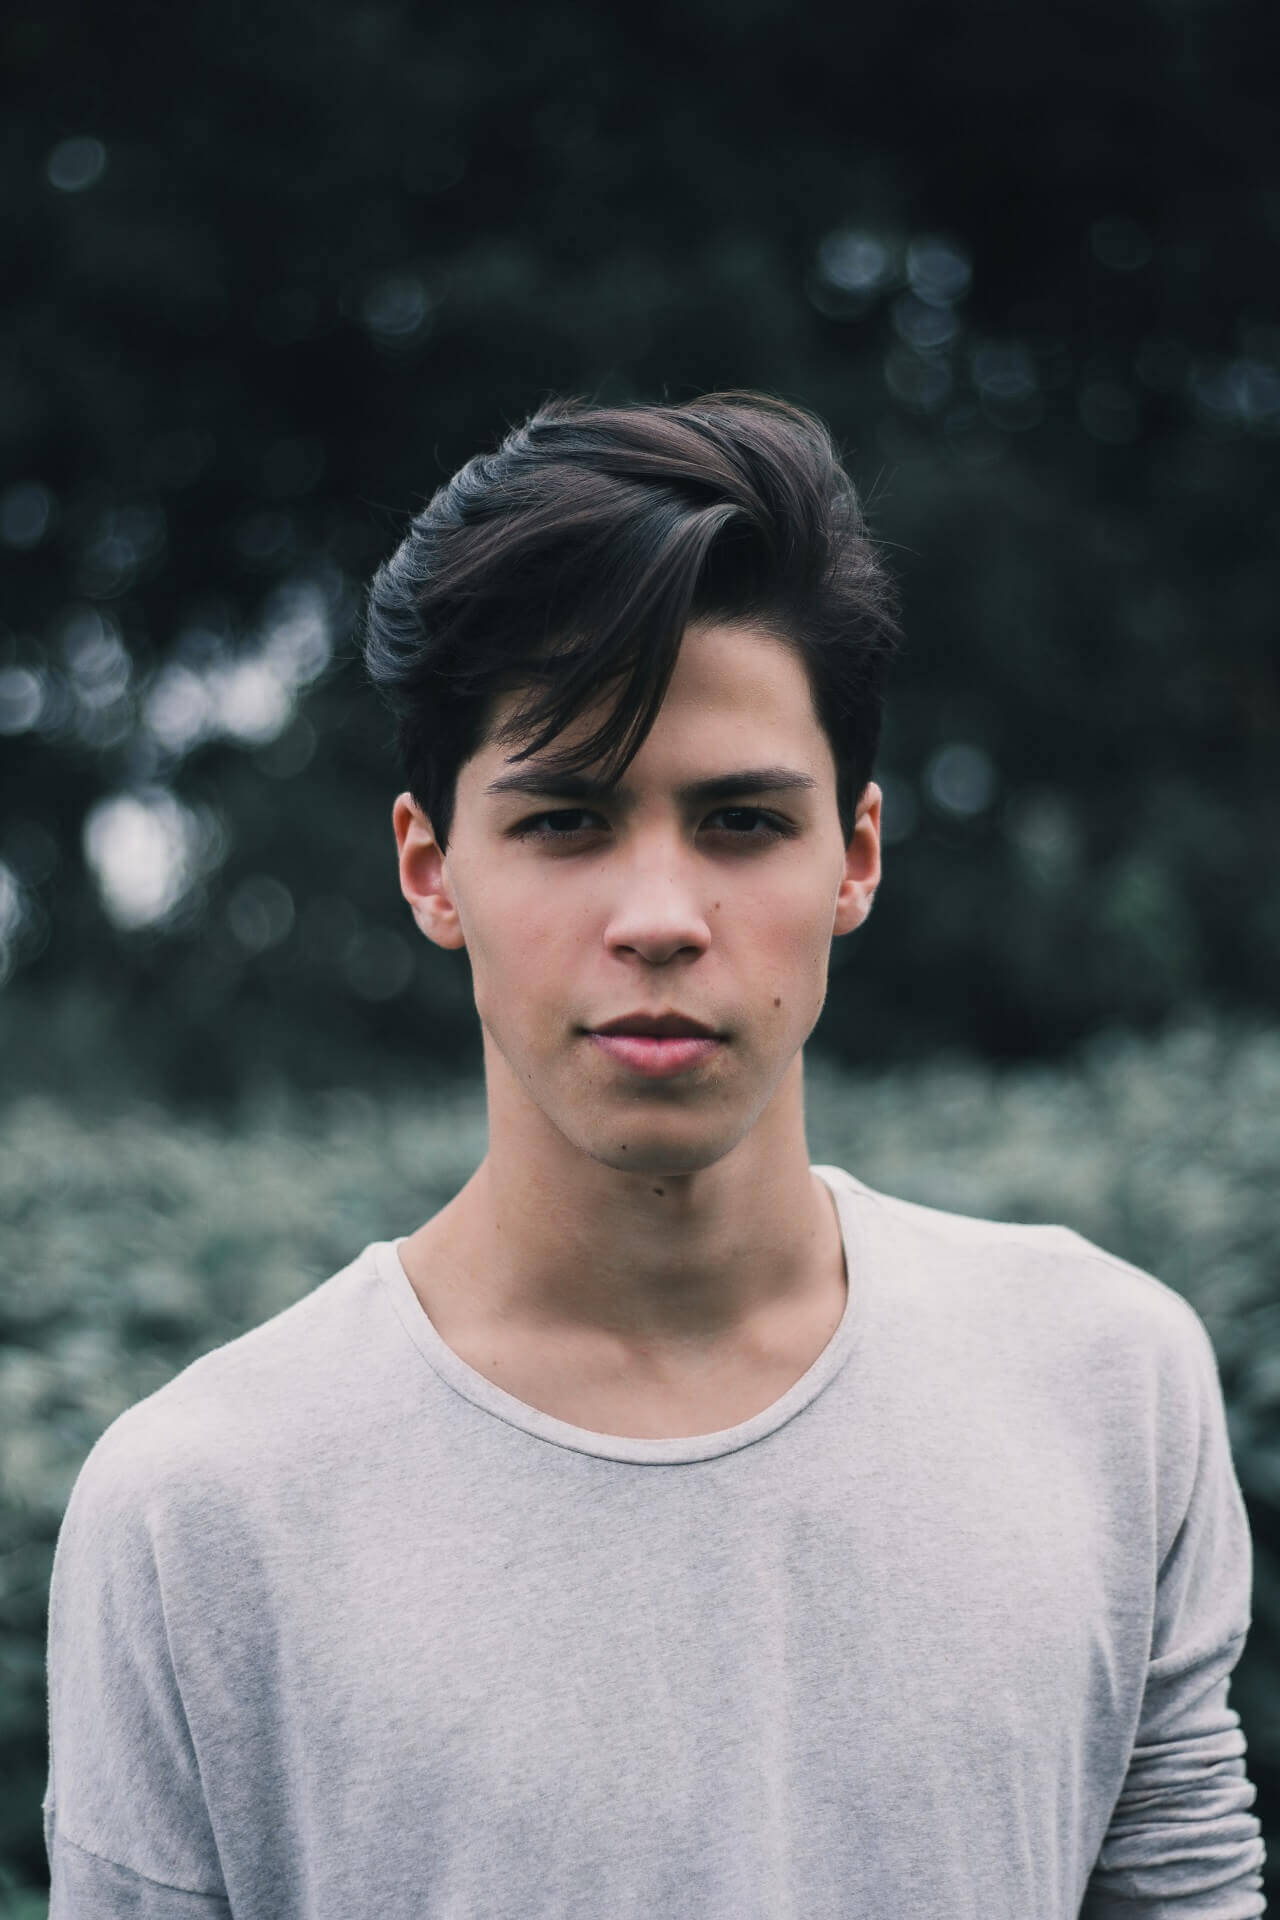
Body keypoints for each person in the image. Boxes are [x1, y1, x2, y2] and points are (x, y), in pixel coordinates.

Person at [43, 393, 1265, 1917]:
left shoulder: (1108, 1383)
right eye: (566, 821)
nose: (661, 917)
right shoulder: (200, 1508)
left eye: (741, 821)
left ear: (855, 857)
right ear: (431, 870)